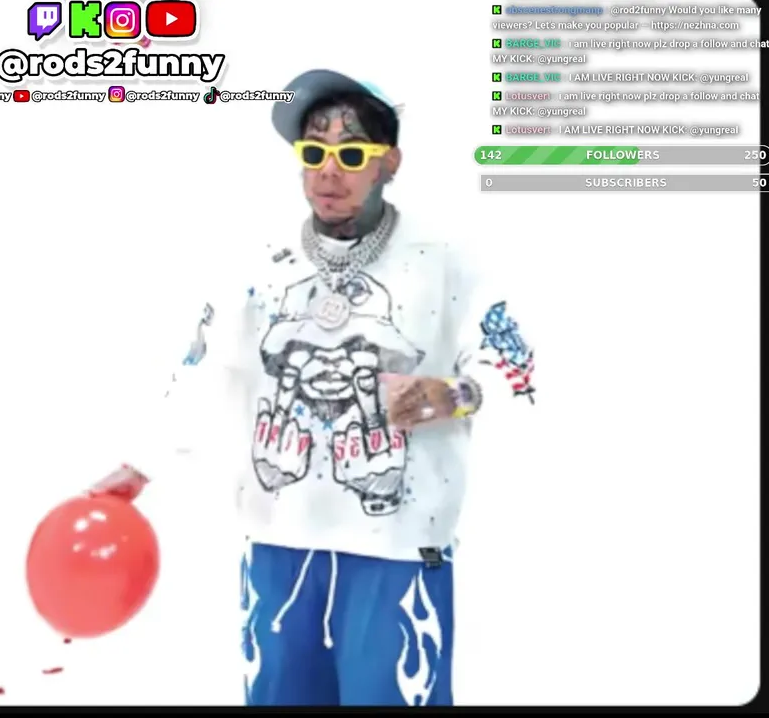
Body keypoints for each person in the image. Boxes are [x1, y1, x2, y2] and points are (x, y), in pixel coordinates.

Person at [92, 70, 536, 706]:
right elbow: (201, 371)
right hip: (279, 544)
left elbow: (514, 366)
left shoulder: (445, 261)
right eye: (313, 152)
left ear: (389, 163)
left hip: (397, 550)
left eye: (351, 155)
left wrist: (452, 394)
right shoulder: (258, 266)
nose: (329, 171)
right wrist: (140, 465)